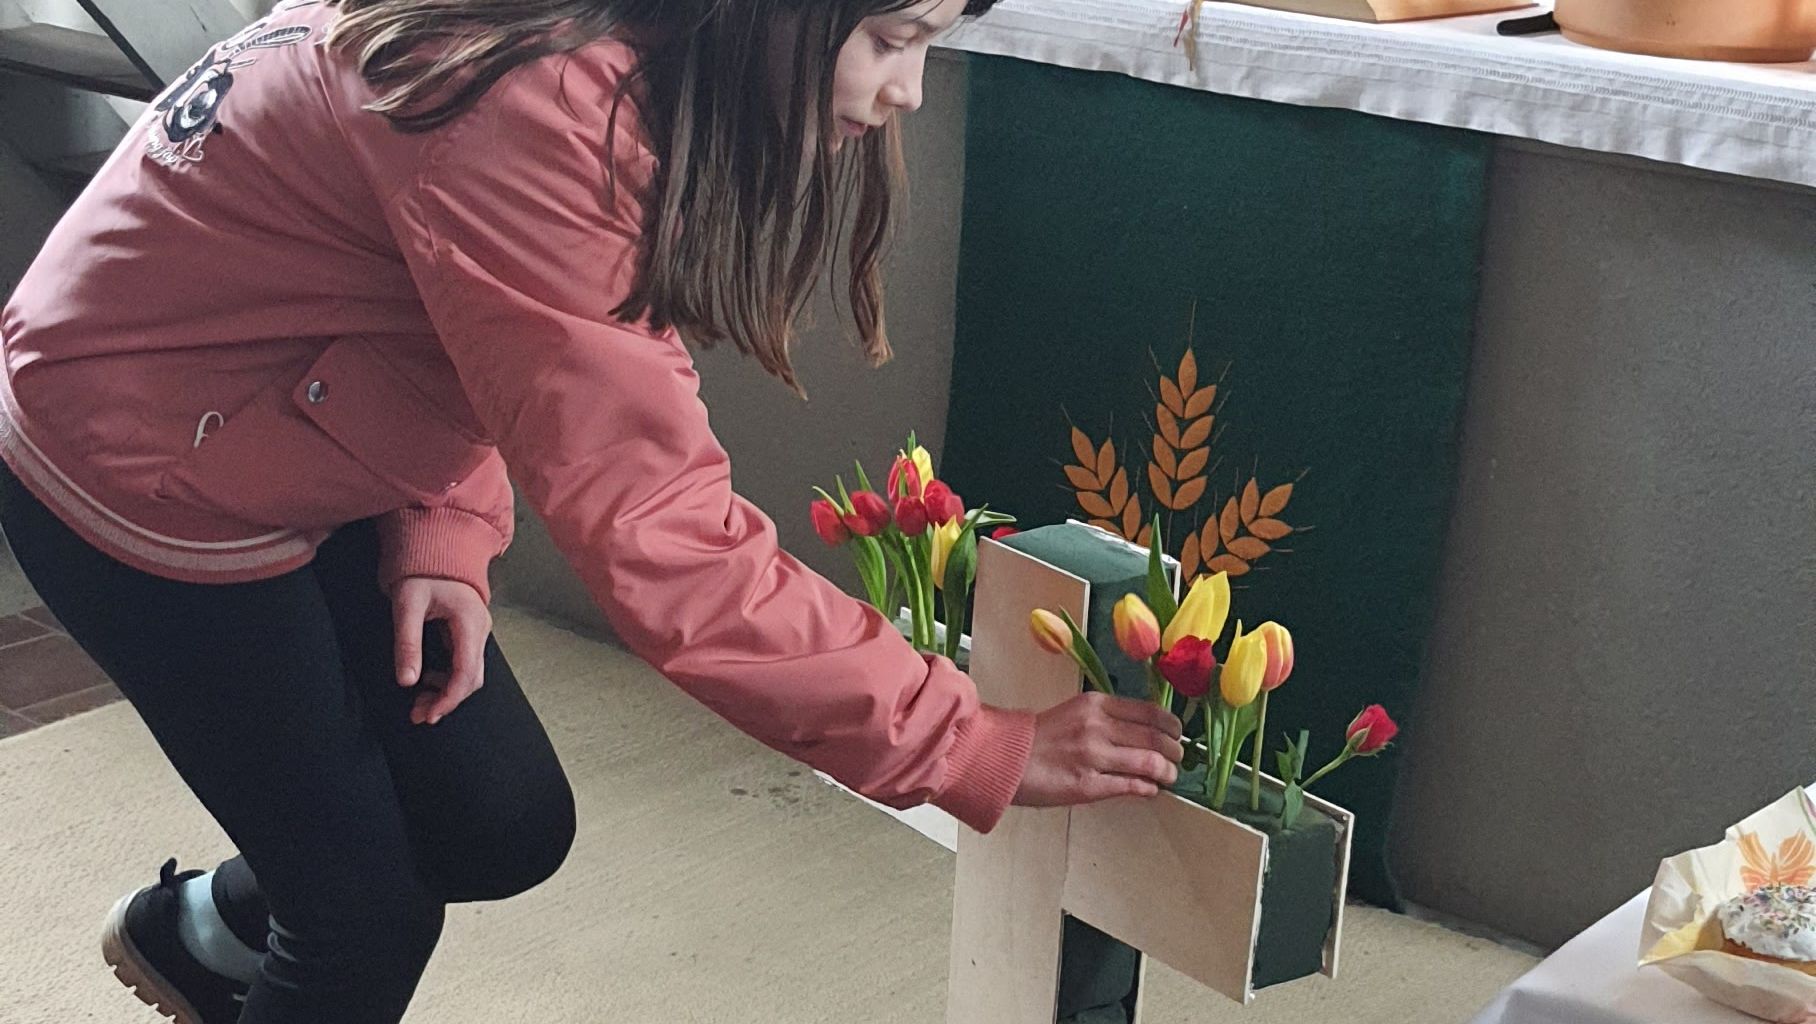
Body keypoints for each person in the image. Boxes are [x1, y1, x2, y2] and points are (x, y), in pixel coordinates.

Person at [0, 1, 1186, 1021]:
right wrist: (965, 739)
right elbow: (666, 540)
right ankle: (252, 926)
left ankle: (198, 934)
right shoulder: (531, 105)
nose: (907, 91)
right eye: (890, 36)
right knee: (362, 915)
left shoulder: (597, 53)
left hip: (288, 411)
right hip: (143, 465)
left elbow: (467, 309)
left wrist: (442, 519)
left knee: (500, 823)